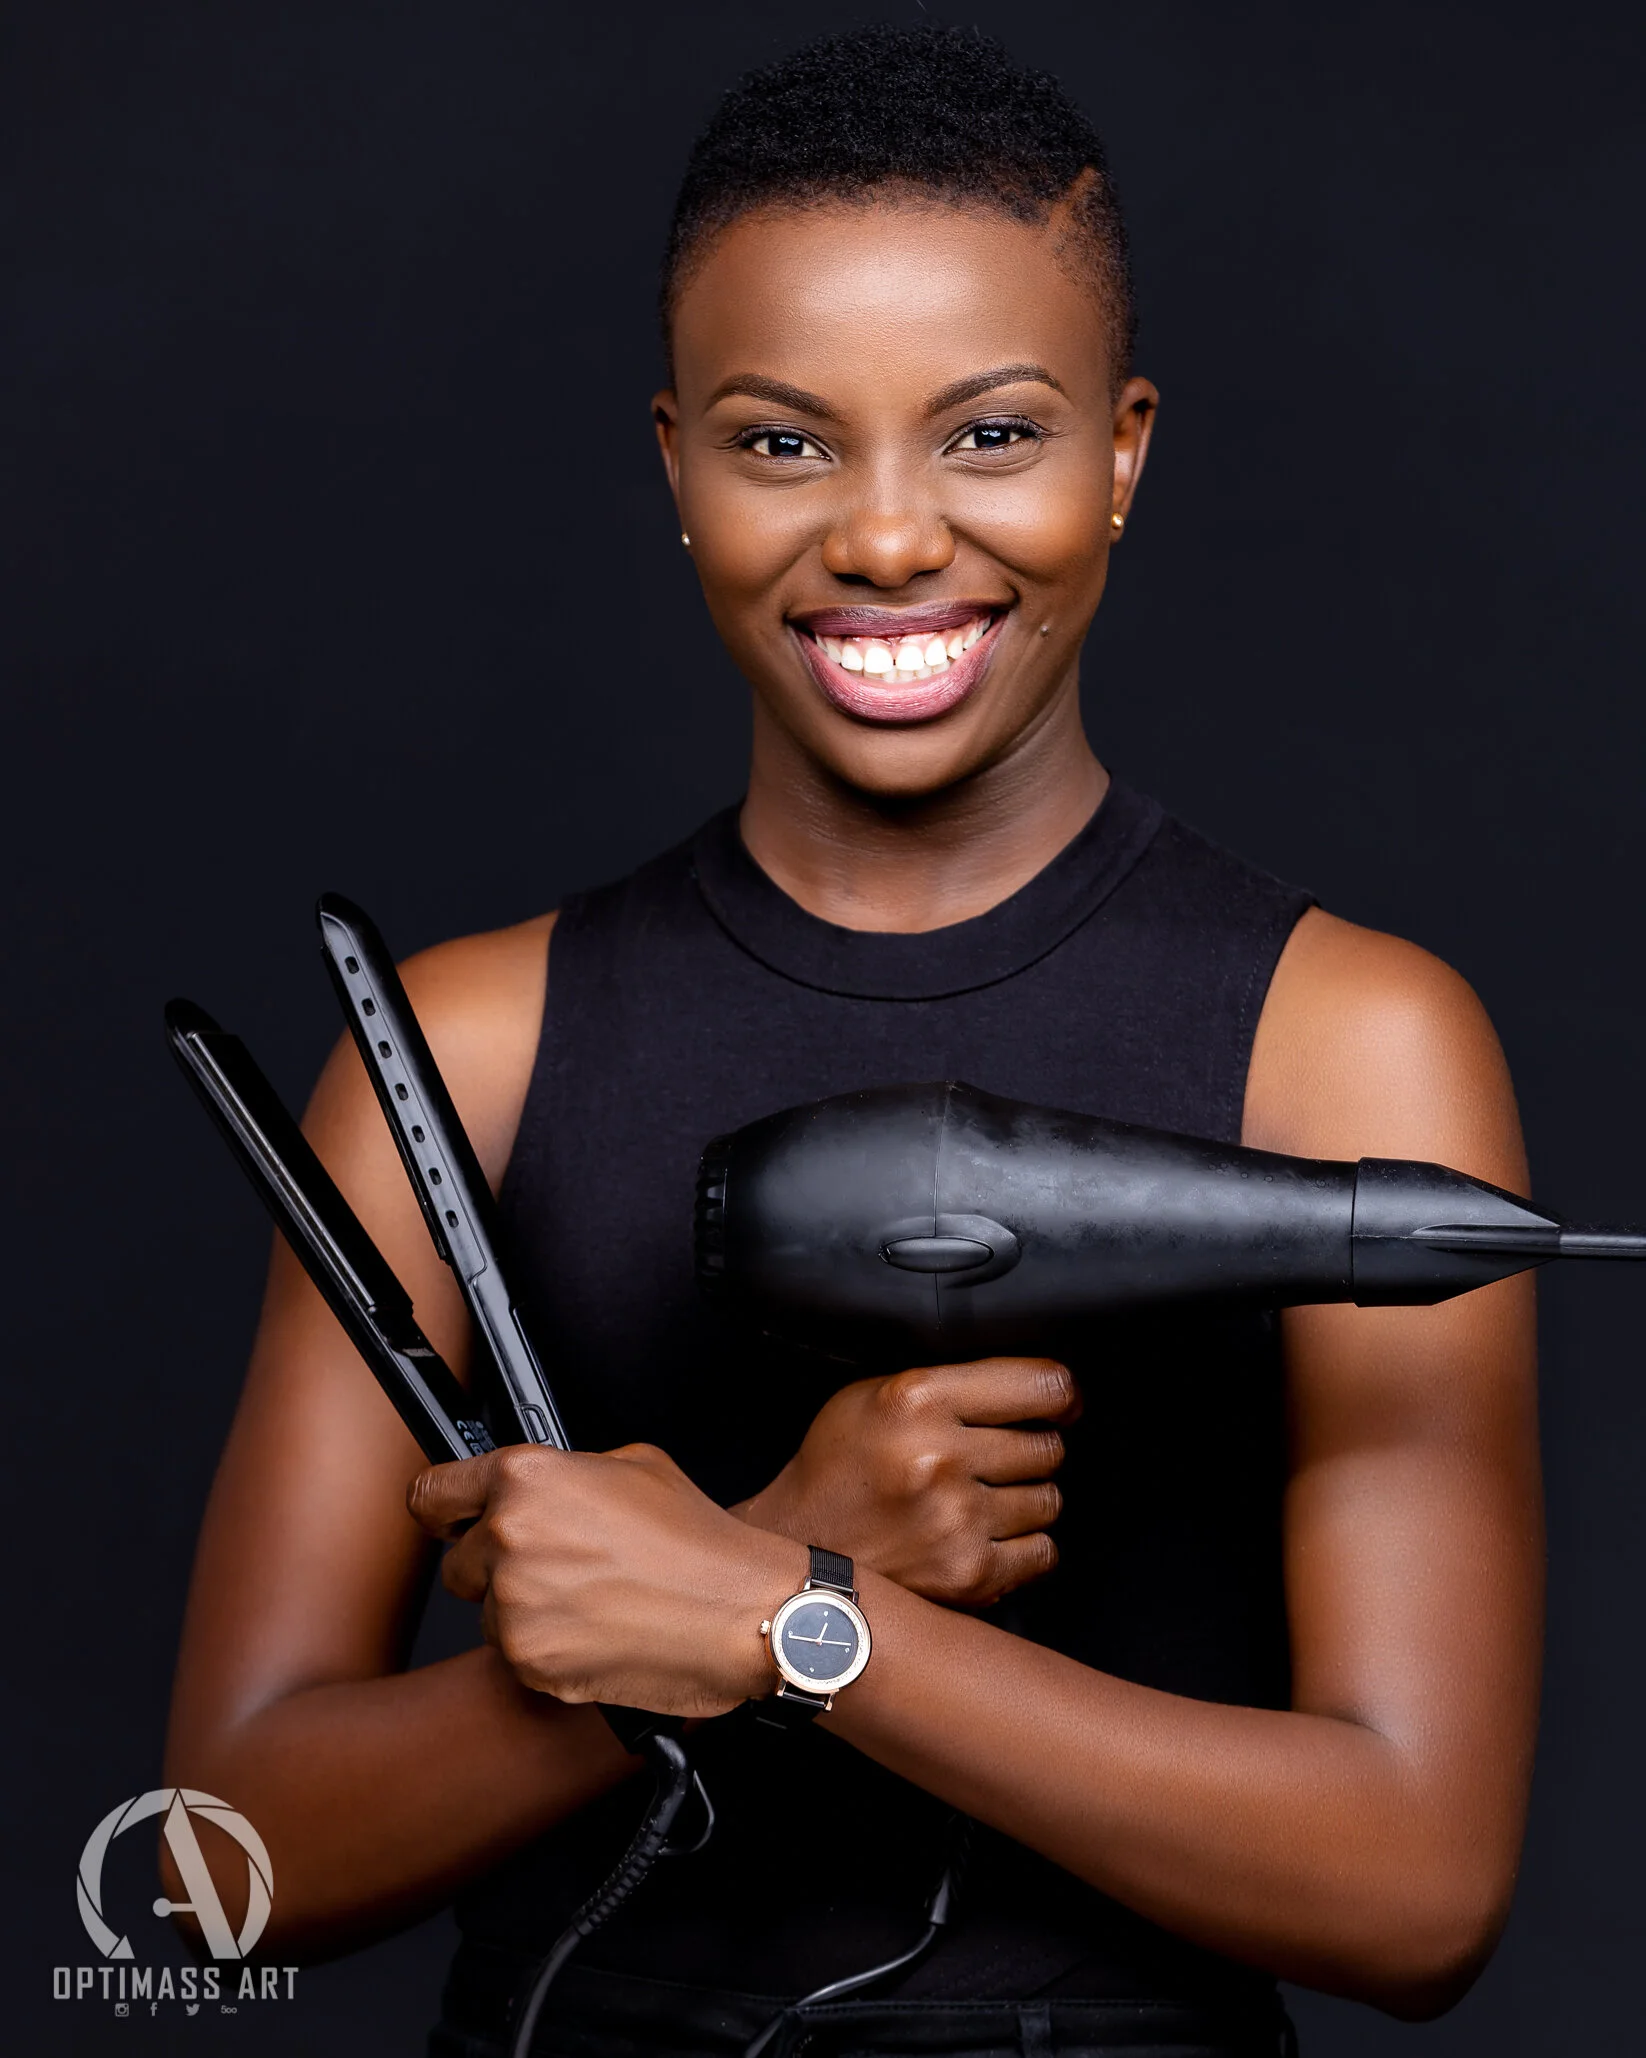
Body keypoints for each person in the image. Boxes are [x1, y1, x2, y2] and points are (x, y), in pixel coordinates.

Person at [163, 25, 1542, 2058]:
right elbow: (219, 1871)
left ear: (1122, 452)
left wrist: (795, 1617)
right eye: (783, 443)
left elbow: (1415, 1893)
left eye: (989, 433)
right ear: (674, 467)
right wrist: (722, 1591)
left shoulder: (1352, 1046)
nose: (889, 538)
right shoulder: (458, 1047)